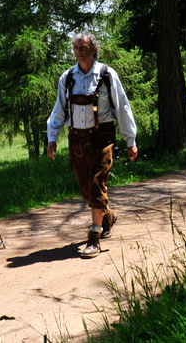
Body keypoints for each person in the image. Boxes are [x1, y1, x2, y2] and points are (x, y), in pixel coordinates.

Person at [46, 32, 138, 258]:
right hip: (76, 138)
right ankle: (107, 216)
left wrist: (130, 140)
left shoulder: (107, 74)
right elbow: (59, 109)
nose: (79, 50)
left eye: (83, 46)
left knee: (97, 184)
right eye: (76, 47)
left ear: (94, 49)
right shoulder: (67, 78)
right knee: (86, 188)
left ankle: (94, 237)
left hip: (102, 136)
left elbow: (122, 107)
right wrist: (52, 138)